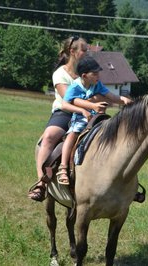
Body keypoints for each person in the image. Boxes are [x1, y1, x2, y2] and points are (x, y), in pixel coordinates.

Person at [28, 36, 89, 201]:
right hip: (65, 113)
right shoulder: (60, 73)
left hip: (89, 112)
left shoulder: (87, 72)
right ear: (73, 52)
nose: (87, 53)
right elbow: (67, 99)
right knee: (49, 137)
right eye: (84, 50)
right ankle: (41, 183)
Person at [56, 55, 132, 185]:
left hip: (97, 117)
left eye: (98, 73)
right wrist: (82, 110)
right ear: (84, 76)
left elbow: (111, 96)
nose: (98, 76)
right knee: (73, 134)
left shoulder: (98, 85)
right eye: (95, 74)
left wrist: (122, 99)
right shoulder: (75, 87)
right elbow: (64, 105)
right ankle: (63, 167)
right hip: (80, 118)